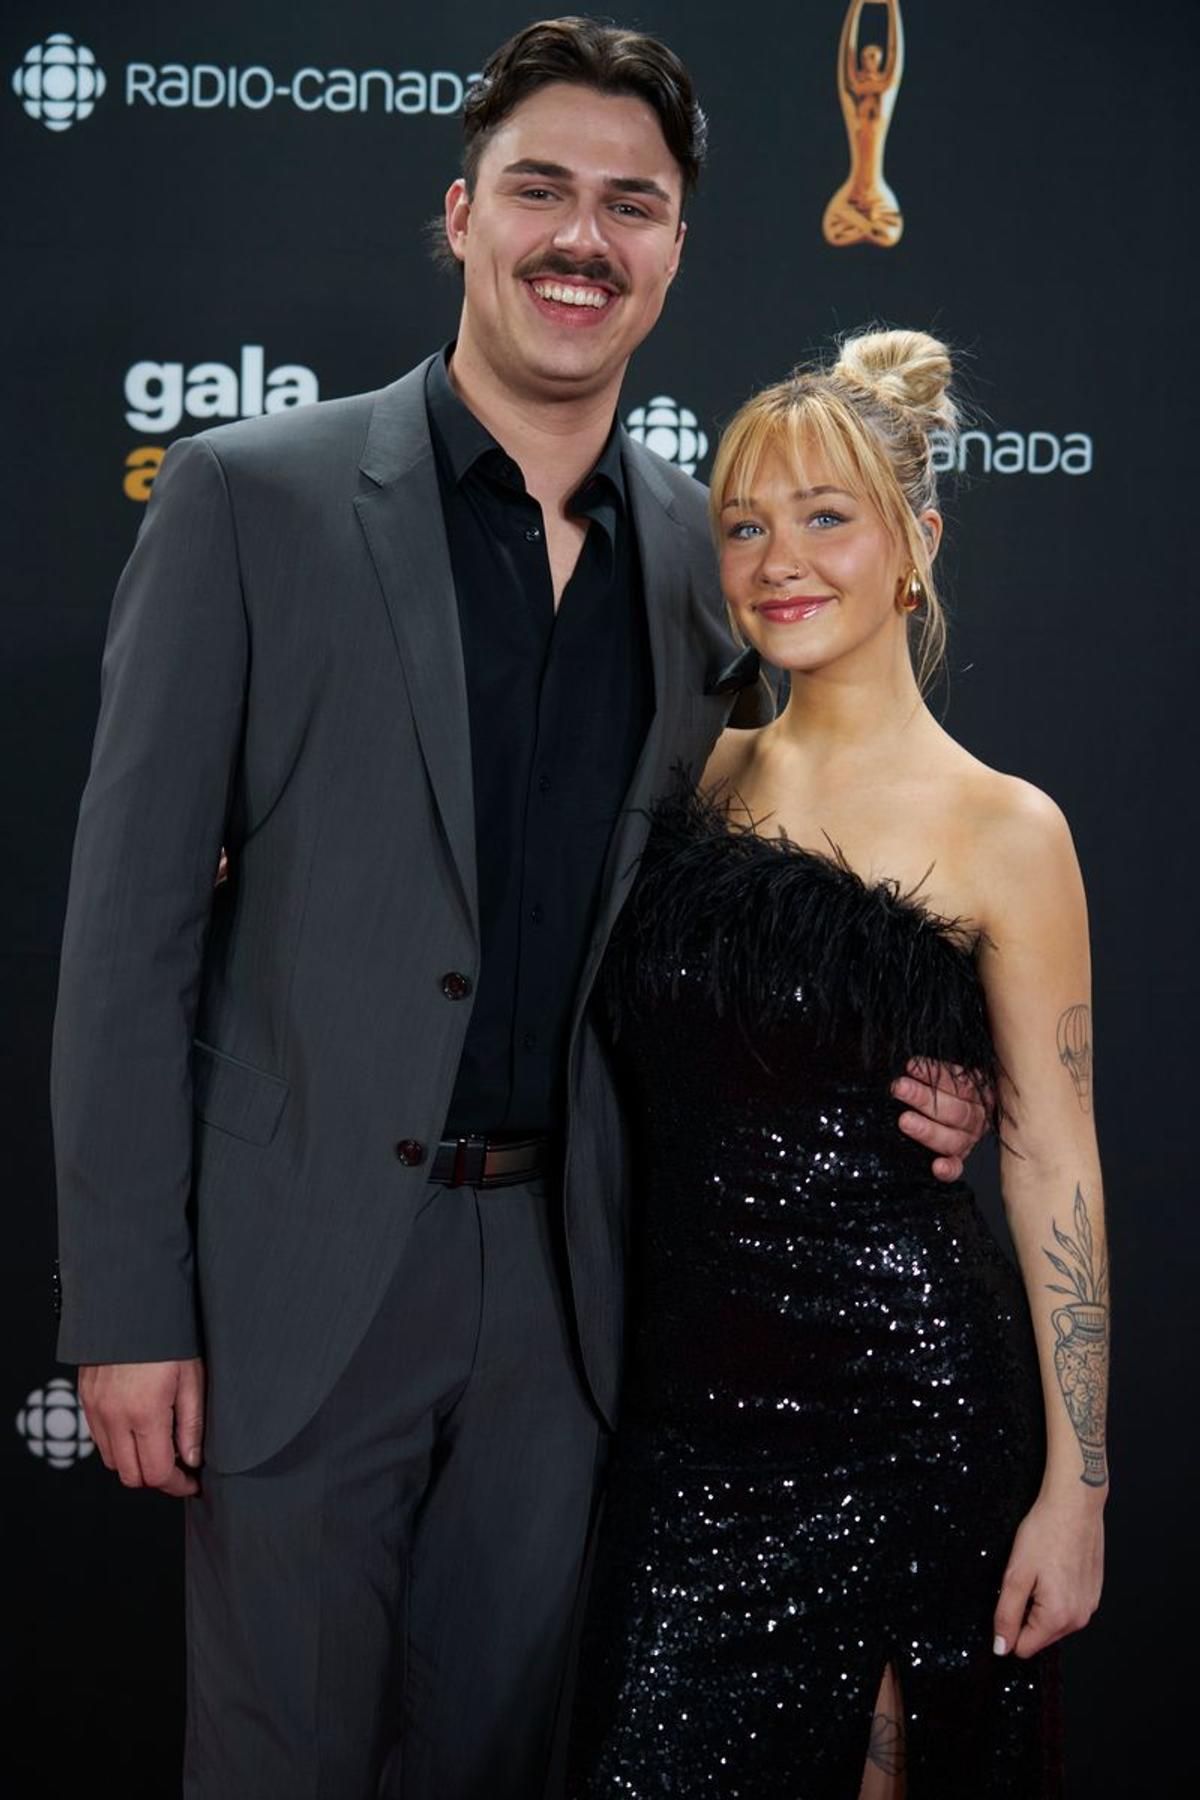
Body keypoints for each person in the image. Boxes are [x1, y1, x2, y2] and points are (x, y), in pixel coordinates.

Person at [50, 17, 987, 1796]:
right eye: (541, 190)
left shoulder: (711, 563)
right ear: (463, 213)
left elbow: (800, 869)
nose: (582, 238)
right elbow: (127, 942)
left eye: (630, 205)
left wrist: (941, 1070)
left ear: (675, 253)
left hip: (582, 1288)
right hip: (299, 1277)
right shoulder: (251, 499)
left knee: (502, 1764)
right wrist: (124, 1303)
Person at [567, 330, 1107, 1798]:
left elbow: (1055, 1158)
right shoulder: (691, 778)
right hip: (684, 1428)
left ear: (914, 544)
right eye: (746, 525)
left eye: (826, 517)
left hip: (908, 1413)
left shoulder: (1007, 829)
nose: (780, 560)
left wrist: (1078, 1490)